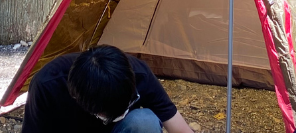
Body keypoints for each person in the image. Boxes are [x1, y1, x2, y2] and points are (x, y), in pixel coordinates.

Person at [21, 45, 197, 132]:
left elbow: (177, 125)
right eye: (108, 117)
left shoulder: (137, 73)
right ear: (75, 97)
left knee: (144, 122)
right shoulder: (47, 85)